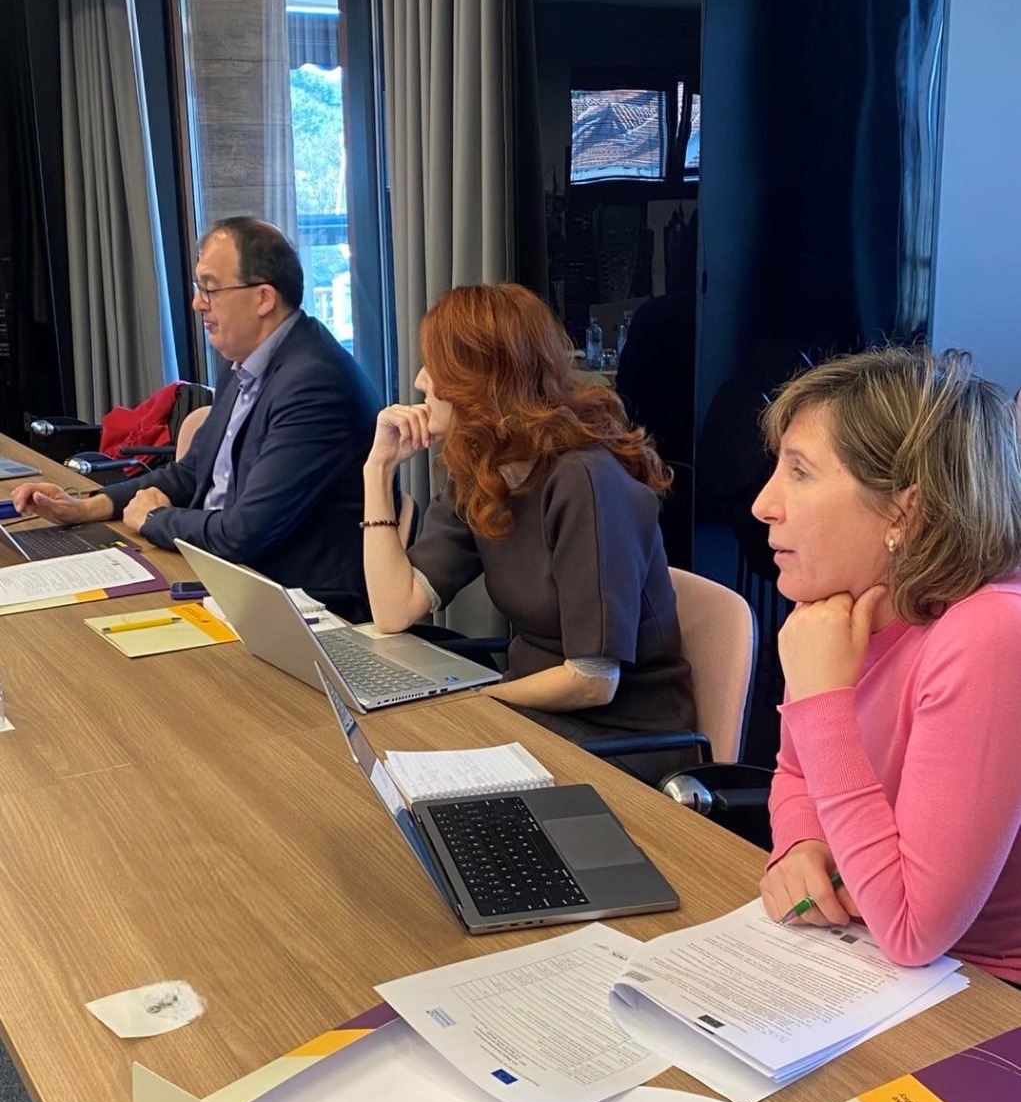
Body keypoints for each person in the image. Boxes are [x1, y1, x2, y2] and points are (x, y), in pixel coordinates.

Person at [753, 345, 1021, 981]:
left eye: (800, 472)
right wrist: (801, 842)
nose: (764, 503)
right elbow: (797, 773)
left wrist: (821, 704)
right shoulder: (837, 607)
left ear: (904, 510)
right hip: (869, 960)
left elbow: (912, 930)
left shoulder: (991, 634)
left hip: (984, 989)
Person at [361, 282, 696, 780]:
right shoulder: (483, 469)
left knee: (414, 765)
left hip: (623, 741)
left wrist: (478, 699)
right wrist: (377, 469)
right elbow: (394, 609)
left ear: (479, 382)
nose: (419, 381)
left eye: (435, 368)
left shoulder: (585, 481)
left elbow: (592, 681)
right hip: (531, 715)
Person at [13, 217, 380, 620]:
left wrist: (154, 518)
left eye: (210, 288)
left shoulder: (314, 381)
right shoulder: (244, 362)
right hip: (226, 576)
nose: (197, 303)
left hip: (301, 604)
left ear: (263, 298)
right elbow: (191, 473)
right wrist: (87, 507)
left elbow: (243, 533)